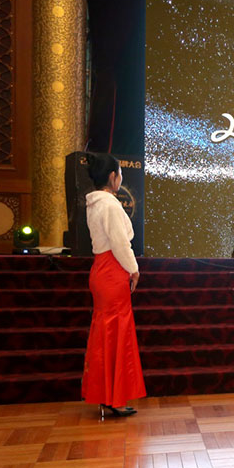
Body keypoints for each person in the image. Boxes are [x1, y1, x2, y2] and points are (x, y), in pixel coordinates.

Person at [82, 153, 146, 418]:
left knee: (105, 333)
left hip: (101, 269)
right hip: (112, 270)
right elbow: (120, 244)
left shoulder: (94, 202)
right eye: (120, 174)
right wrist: (134, 269)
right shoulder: (109, 204)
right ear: (112, 176)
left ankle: (107, 394)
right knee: (117, 334)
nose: (121, 178)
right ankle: (115, 397)